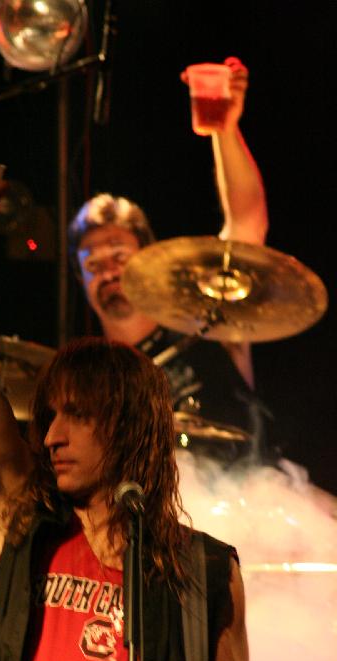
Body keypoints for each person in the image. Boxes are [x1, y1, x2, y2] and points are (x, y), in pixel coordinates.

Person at [0, 171, 259, 661]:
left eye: (76, 416)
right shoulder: (22, 524)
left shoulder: (204, 568)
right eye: (50, 416)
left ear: (128, 425)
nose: (51, 436)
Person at [68, 57, 273, 463]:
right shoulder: (90, 380)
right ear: (80, 281)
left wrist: (225, 130)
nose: (108, 272)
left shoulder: (206, 323)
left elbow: (247, 223)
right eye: (93, 265)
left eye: (120, 256)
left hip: (250, 497)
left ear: (148, 259)